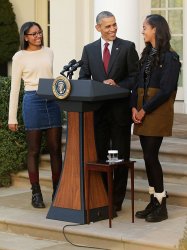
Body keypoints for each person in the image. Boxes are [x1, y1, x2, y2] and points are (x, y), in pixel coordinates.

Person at [79, 11, 139, 212]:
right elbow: (83, 78)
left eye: (114, 25)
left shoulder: (128, 47)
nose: (113, 29)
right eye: (107, 26)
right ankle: (104, 197)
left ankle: (116, 201)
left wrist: (118, 84)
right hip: (98, 114)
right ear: (98, 28)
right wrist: (98, 85)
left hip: (120, 114)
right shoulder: (89, 50)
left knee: (121, 158)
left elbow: (135, 78)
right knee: (101, 158)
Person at [131, 14, 181, 222]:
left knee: (151, 157)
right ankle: (154, 200)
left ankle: (161, 204)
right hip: (143, 110)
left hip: (156, 111)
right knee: (148, 157)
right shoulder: (147, 54)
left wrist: (144, 109)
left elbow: (166, 89)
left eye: (145, 27)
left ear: (156, 30)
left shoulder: (170, 57)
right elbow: (137, 83)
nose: (142, 31)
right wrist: (134, 106)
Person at [8, 22, 63, 208]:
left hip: (52, 100)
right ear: (25, 37)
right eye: (33, 34)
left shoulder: (49, 52)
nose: (38, 36)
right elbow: (15, 88)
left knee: (55, 148)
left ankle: (58, 190)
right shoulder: (19, 57)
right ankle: (36, 193)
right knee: (33, 150)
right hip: (32, 101)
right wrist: (12, 117)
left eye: (39, 33)